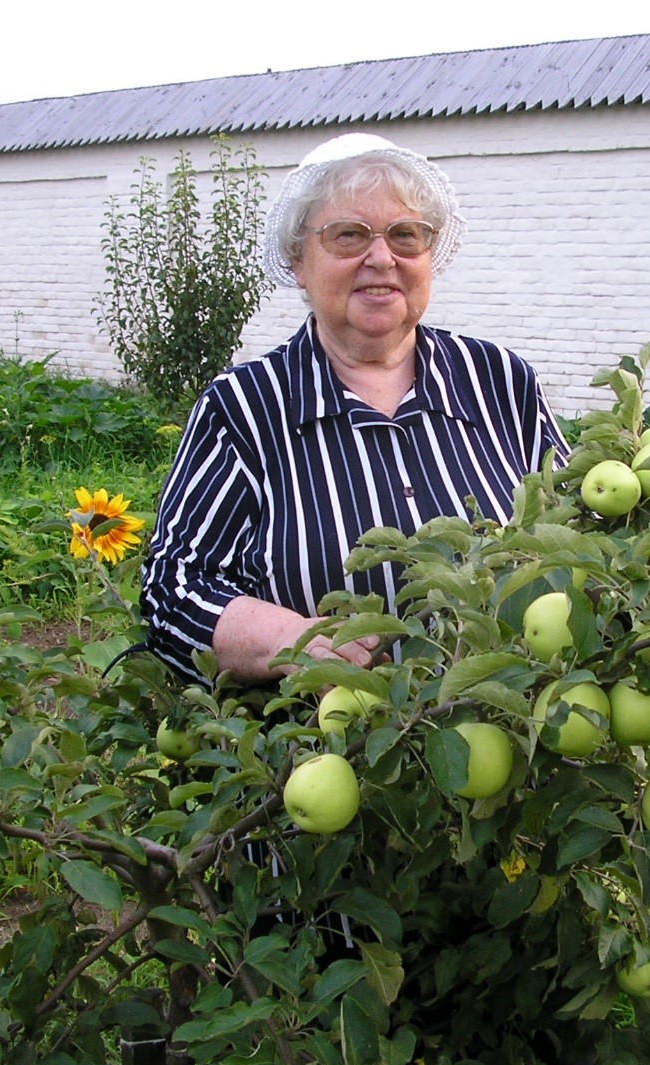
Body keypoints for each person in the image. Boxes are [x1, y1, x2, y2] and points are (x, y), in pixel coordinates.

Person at [141, 133, 568, 684]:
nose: (381, 257)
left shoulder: (498, 379)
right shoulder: (245, 407)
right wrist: (291, 640)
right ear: (300, 260)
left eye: (405, 235)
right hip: (317, 749)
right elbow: (174, 591)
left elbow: (575, 532)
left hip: (516, 737)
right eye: (349, 236)